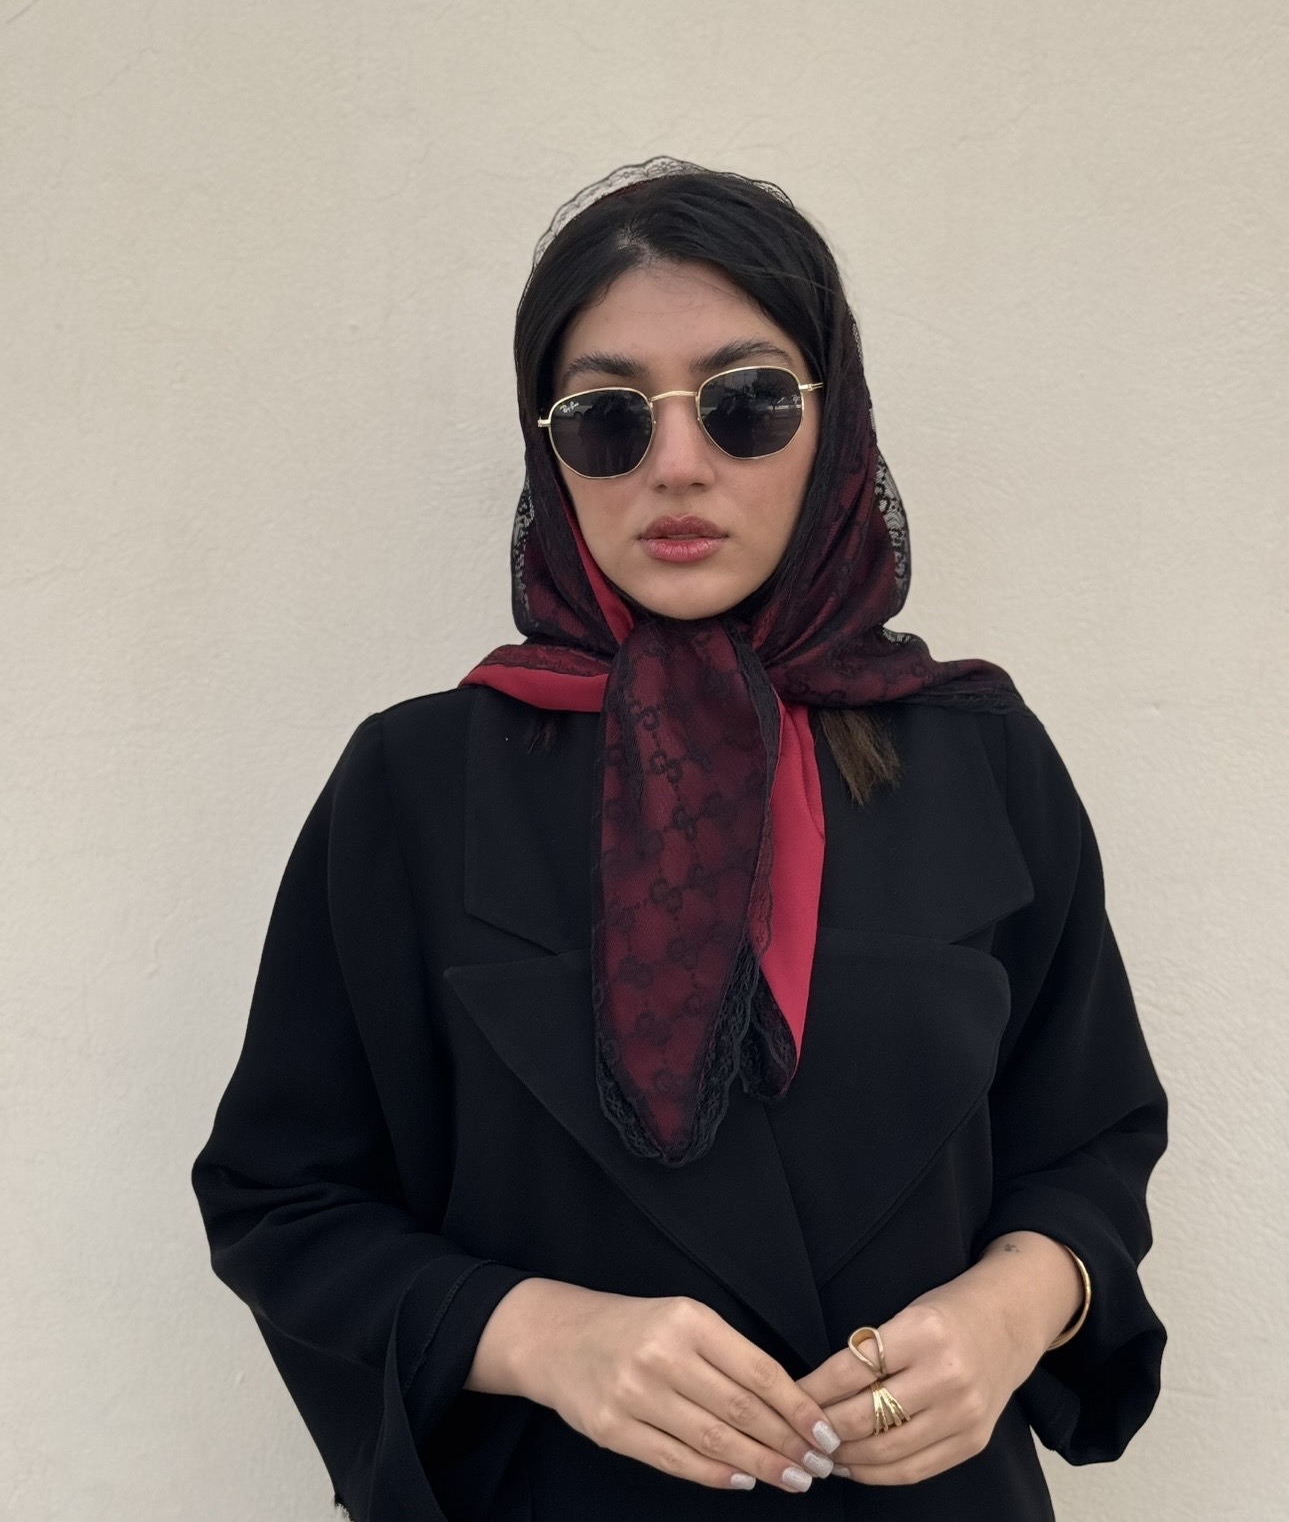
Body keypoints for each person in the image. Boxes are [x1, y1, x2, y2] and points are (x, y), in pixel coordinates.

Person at [191, 158, 1168, 1521]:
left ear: (832, 419)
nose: (677, 464)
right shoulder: (416, 785)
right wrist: (538, 1334)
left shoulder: (981, 759)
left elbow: (1090, 1139)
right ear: (550, 451)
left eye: (745, 402)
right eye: (606, 418)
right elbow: (282, 1196)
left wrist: (1017, 1305)